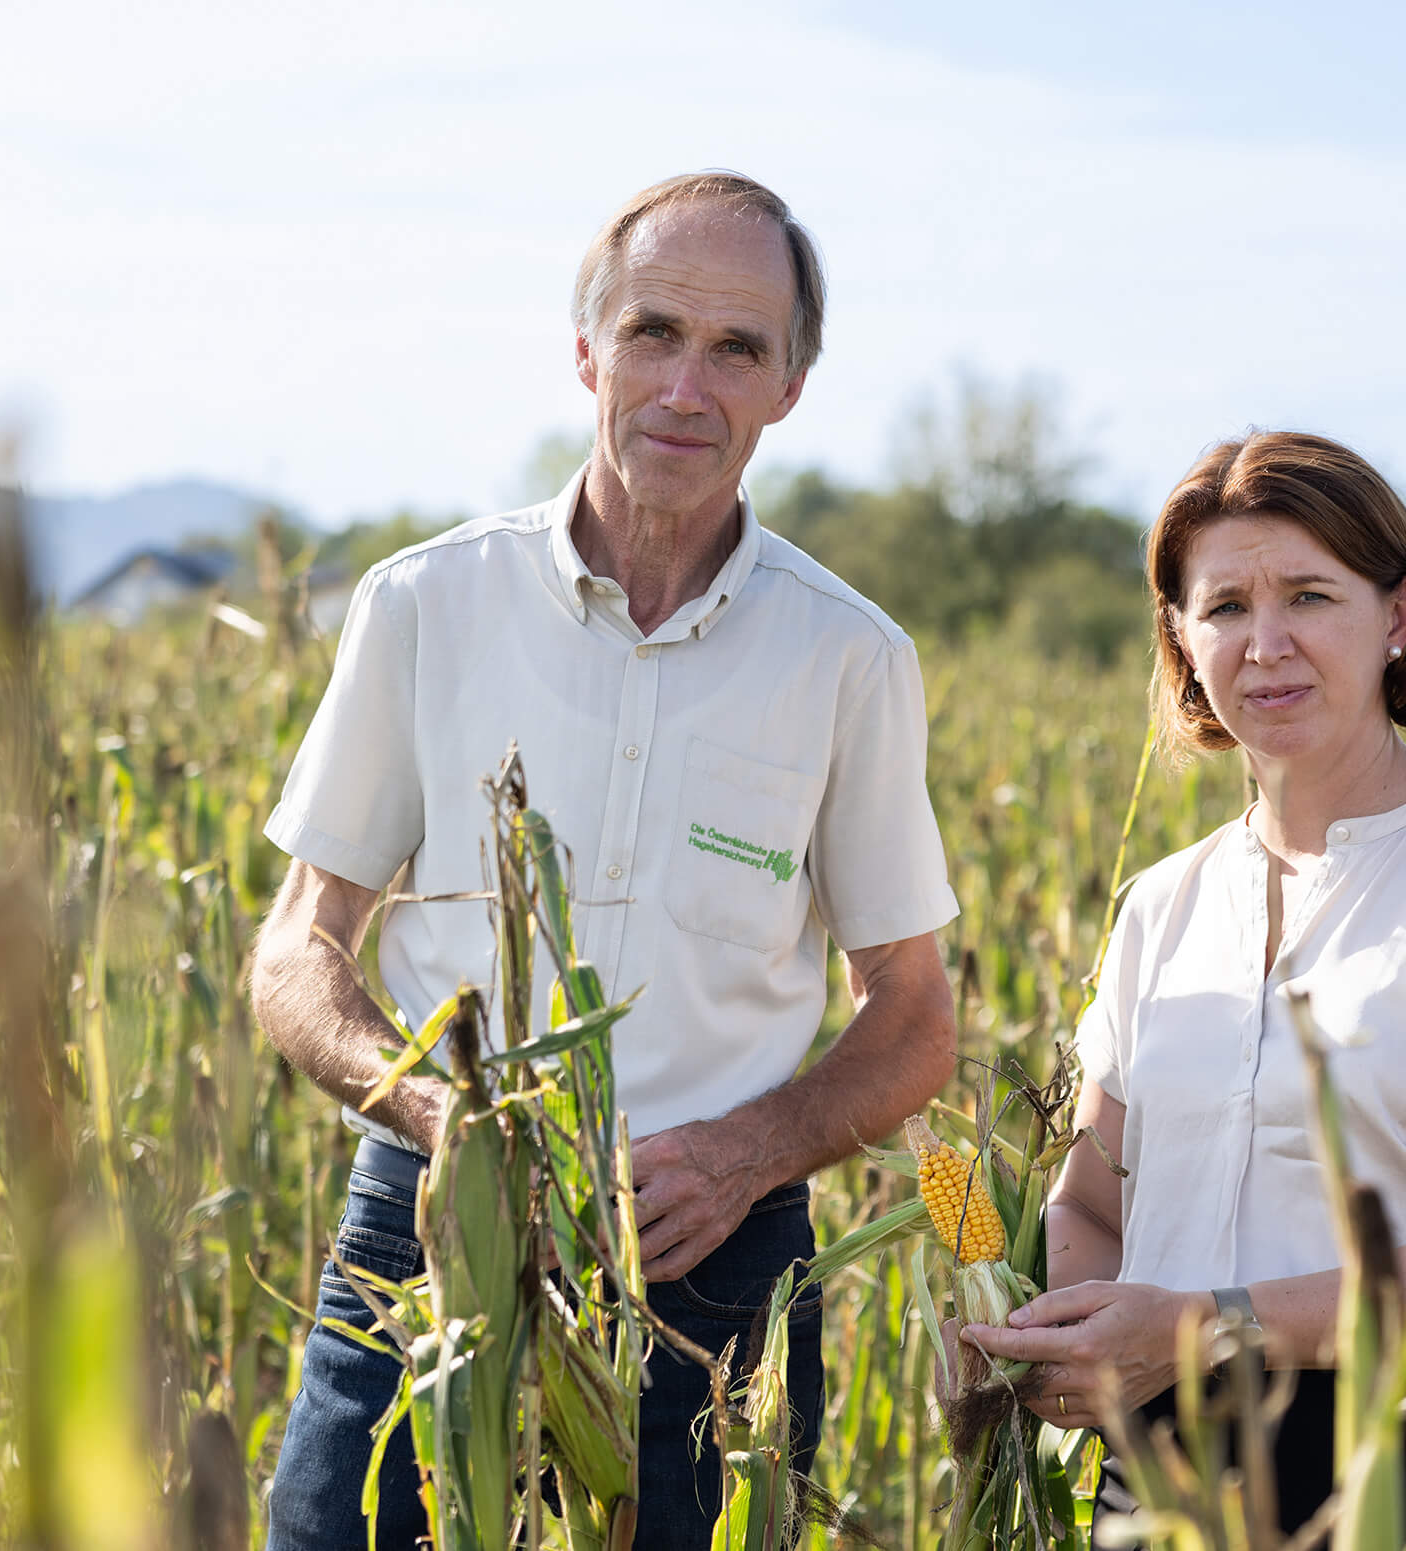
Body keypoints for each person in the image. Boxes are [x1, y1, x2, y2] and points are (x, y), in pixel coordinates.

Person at [252, 172, 960, 1550]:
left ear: (790, 387)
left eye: (737, 349)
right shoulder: (421, 603)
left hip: (713, 1267)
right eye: (652, 332)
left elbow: (916, 1018)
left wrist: (747, 1152)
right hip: (429, 1228)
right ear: (587, 349)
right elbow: (297, 945)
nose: (686, 386)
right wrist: (441, 1122)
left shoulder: (850, 657)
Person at [964, 432, 1406, 1547]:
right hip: (1181, 1470)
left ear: (1398, 618)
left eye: (1310, 596)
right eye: (1223, 607)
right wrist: (1076, 1339)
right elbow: (1090, 1205)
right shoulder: (1159, 910)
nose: (1265, 646)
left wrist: (1202, 1329)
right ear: (1180, 639)